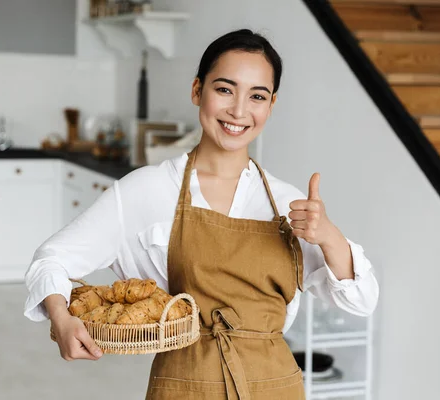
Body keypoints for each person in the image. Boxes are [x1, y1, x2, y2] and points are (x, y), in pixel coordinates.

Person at [24, 29, 379, 400]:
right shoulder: (146, 190)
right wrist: (62, 320)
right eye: (224, 89)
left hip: (276, 387)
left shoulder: (287, 203)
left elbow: (361, 301)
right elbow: (51, 260)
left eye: (256, 96)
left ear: (271, 105)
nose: (239, 111)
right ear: (197, 91)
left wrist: (329, 236)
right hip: (183, 384)